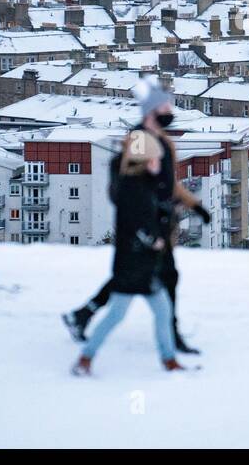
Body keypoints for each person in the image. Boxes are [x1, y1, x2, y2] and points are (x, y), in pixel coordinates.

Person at [63, 76, 211, 352]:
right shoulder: (140, 141)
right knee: (156, 275)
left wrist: (194, 205)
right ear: (151, 111)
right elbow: (135, 183)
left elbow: (169, 182)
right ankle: (171, 335)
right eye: (165, 108)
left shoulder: (163, 142)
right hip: (143, 223)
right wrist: (146, 223)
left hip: (159, 222)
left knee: (143, 274)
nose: (170, 113)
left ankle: (82, 315)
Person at [73, 130, 181, 376]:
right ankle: (85, 358)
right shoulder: (132, 188)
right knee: (116, 316)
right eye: (155, 159)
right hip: (130, 266)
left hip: (145, 266)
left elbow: (152, 217)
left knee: (163, 312)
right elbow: (135, 223)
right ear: (144, 161)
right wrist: (153, 240)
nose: (158, 164)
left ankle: (169, 359)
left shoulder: (146, 186)